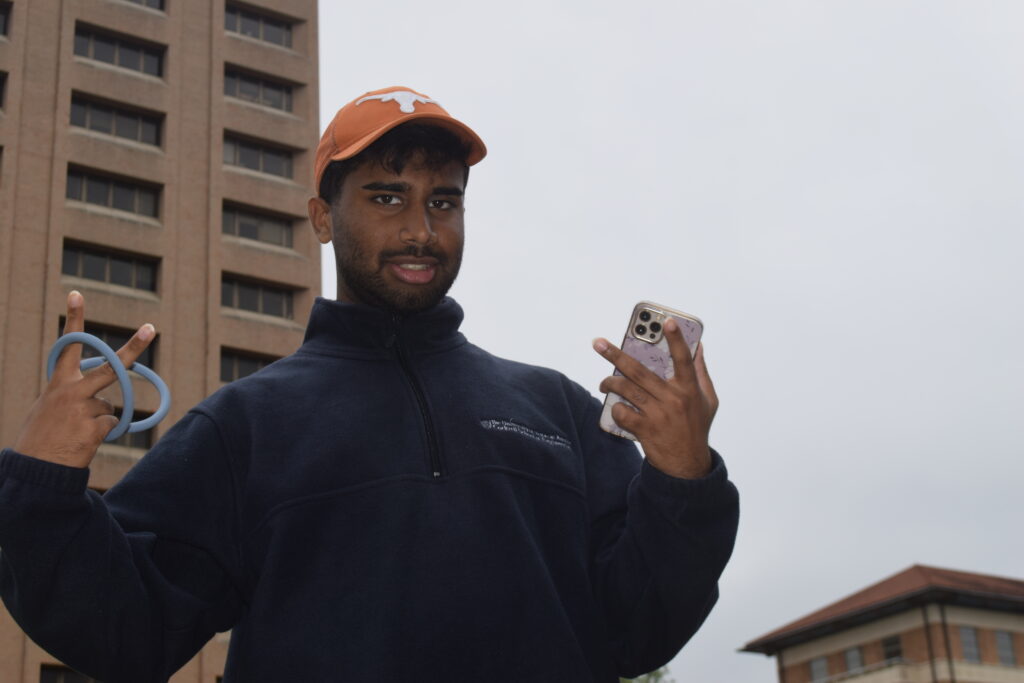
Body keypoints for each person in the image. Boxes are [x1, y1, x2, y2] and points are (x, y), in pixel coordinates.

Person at [0, 86, 739, 682]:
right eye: (387, 197)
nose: (422, 230)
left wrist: (683, 477)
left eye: (443, 201)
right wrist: (42, 483)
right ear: (323, 218)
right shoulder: (244, 425)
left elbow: (640, 628)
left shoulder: (556, 409)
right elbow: (126, 632)